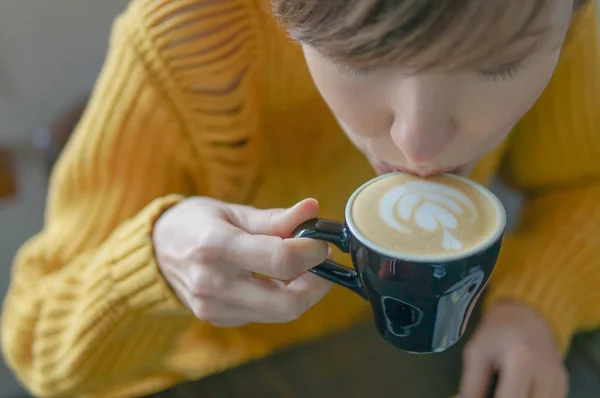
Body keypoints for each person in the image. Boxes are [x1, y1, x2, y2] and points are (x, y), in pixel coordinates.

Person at [2, 0, 599, 397]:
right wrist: (154, 265)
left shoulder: (555, 19)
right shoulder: (182, 40)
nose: (417, 144)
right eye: (361, 56)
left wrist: (536, 306)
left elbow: (582, 186)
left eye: (497, 66)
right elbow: (34, 344)